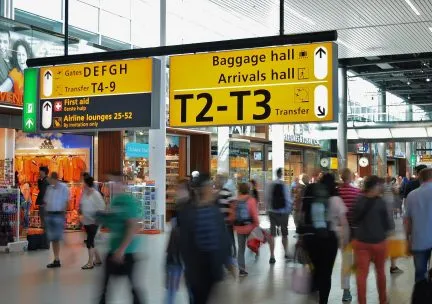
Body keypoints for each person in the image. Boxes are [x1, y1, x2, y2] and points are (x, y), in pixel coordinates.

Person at [177, 174, 232, 303]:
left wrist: (228, 260)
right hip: (197, 270)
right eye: (210, 187)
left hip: (212, 268)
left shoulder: (214, 210)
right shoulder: (188, 212)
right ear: (204, 190)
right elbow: (184, 243)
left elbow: (222, 237)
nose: (212, 190)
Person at [299, 173, 348, 304]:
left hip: (311, 237)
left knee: (316, 267)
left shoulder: (312, 194)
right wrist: (346, 240)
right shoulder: (336, 199)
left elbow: (301, 214)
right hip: (329, 239)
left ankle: (314, 287)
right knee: (326, 274)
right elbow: (344, 222)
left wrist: (301, 236)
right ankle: (323, 301)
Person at [97, 172, 143, 304]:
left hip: (126, 252)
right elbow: (111, 222)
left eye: (116, 183)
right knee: (104, 287)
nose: (113, 186)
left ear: (123, 184)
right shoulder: (115, 201)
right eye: (111, 183)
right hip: (114, 249)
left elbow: (132, 226)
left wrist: (121, 250)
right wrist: (101, 218)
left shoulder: (129, 202)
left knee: (133, 287)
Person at [352, 175, 390, 304]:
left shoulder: (358, 200)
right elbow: (388, 224)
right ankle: (383, 300)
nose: (381, 187)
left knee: (361, 274)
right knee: (380, 272)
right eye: (379, 185)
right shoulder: (381, 202)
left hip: (361, 242)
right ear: (374, 187)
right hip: (379, 242)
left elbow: (353, 218)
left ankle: (362, 302)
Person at [405, 168, 432, 283]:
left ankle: (422, 296)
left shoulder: (412, 195)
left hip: (419, 239)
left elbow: (408, 220)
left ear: (420, 179)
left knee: (420, 274)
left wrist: (408, 240)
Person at [338, 168, 361, 302]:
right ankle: (360, 285)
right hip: (355, 231)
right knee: (359, 260)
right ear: (351, 177)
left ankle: (346, 291)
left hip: (342, 230)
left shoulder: (337, 192)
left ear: (341, 178)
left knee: (346, 260)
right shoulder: (356, 192)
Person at [230, 183, 259, 276]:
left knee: (241, 249)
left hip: (239, 228)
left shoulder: (235, 201)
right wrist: (257, 225)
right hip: (249, 226)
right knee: (253, 242)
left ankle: (241, 270)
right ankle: (256, 251)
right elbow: (254, 214)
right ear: (248, 189)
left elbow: (232, 215)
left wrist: (233, 225)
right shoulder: (251, 200)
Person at [265, 168, 292, 264]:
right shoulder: (285, 185)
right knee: (285, 234)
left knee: (272, 235)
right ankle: (286, 253)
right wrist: (289, 211)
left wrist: (267, 210)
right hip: (283, 213)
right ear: (281, 174)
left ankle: (272, 256)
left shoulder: (270, 184)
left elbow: (267, 198)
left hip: (272, 212)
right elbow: (288, 199)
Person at [43, 172, 70, 268]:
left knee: (56, 238)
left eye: (50, 178)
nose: (49, 180)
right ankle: (56, 259)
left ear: (54, 178)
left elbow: (67, 202)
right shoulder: (49, 188)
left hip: (58, 215)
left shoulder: (64, 187)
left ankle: (57, 258)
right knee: (53, 239)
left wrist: (64, 214)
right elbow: (46, 201)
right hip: (50, 215)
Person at [79, 175, 105, 270]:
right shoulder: (84, 193)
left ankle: (90, 263)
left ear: (86, 183)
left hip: (94, 222)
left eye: (83, 182)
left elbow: (102, 208)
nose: (82, 184)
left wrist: (97, 219)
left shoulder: (96, 194)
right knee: (92, 241)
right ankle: (97, 259)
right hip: (86, 221)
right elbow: (81, 205)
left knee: (90, 242)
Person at [382, 176, 403, 274]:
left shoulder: (384, 189)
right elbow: (397, 194)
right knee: (391, 242)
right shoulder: (388, 188)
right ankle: (393, 266)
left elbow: (396, 194)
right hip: (388, 220)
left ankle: (391, 265)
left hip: (385, 219)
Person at [0, 39, 32, 104]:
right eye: (19, 55)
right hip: (20, 109)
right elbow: (1, 90)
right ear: (16, 56)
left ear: (28, 56)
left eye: (23, 54)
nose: (21, 58)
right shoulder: (15, 73)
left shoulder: (34, 72)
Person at [215, 174, 236, 257]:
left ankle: (232, 252)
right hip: (220, 221)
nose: (216, 182)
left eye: (217, 180)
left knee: (230, 238)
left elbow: (232, 205)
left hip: (226, 221)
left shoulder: (226, 192)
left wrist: (231, 217)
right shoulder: (216, 193)